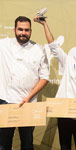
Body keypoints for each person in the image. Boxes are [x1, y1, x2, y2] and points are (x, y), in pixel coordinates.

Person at [34, 17, 76, 150]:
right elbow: (53, 45)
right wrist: (44, 24)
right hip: (63, 113)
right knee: (64, 146)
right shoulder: (69, 61)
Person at [0, 16, 50, 150]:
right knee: (3, 144)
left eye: (26, 30)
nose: (23, 33)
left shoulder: (39, 49)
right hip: (5, 101)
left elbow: (45, 77)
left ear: (31, 31)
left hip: (28, 104)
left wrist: (28, 97)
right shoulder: (3, 45)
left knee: (27, 144)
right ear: (14, 30)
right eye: (20, 29)